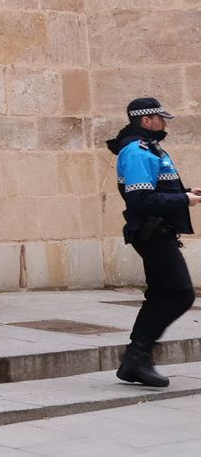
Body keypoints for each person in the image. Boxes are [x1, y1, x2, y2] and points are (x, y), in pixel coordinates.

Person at [107, 97, 198, 387]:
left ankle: (135, 361)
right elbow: (141, 199)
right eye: (160, 118)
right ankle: (137, 356)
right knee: (181, 293)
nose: (164, 123)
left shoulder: (148, 148)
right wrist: (183, 199)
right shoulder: (137, 151)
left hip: (158, 231)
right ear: (146, 120)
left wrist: (186, 192)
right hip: (152, 233)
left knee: (160, 294)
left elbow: (155, 190)